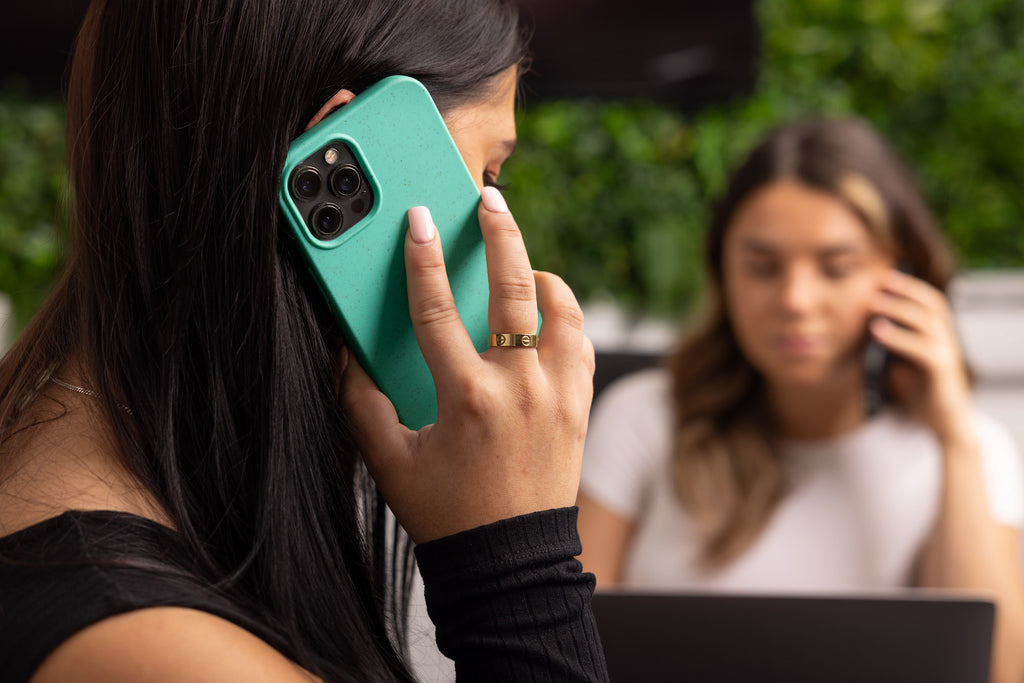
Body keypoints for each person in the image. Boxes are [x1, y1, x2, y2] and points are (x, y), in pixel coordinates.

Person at [0, 1, 607, 681]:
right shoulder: (157, 652)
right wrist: (518, 565)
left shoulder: (60, 499)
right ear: (337, 145)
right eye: (488, 177)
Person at [577, 117, 1024, 683]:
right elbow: (567, 653)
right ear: (723, 271)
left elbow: (997, 674)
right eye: (762, 267)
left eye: (836, 268)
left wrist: (955, 438)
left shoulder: (974, 449)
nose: (795, 299)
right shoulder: (644, 418)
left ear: (904, 275)